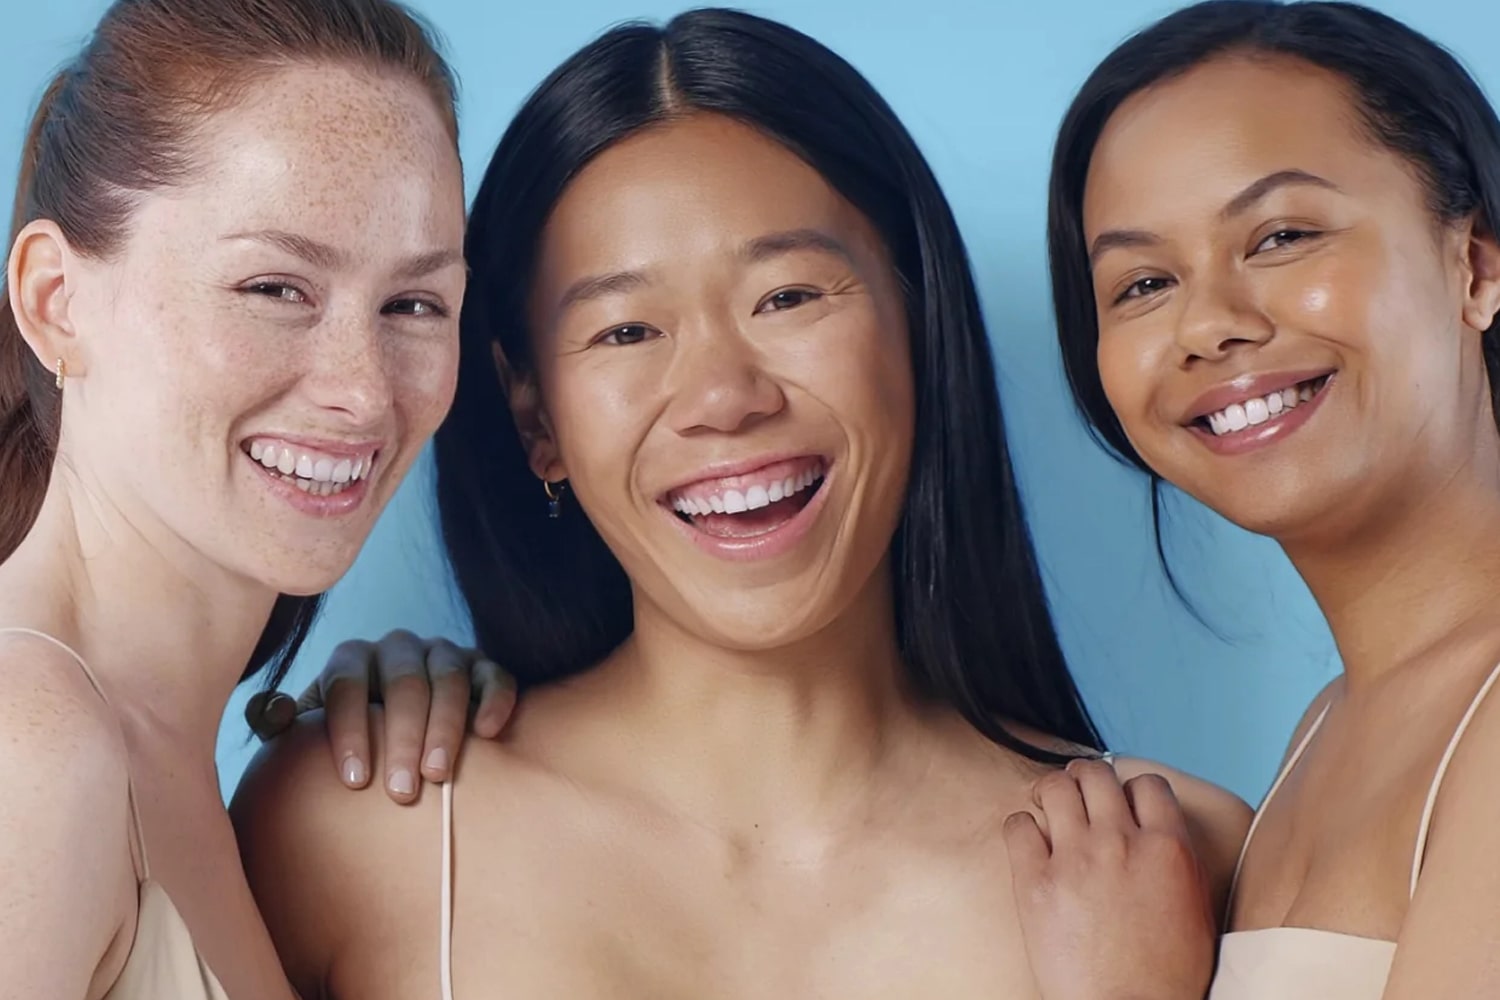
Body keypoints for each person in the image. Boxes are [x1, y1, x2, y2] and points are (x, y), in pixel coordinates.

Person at [231, 10, 1251, 999]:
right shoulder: (352, 830)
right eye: (627, 331)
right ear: (535, 416)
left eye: (788, 297)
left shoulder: (1178, 857)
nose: (724, 397)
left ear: (920, 329)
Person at [1008, 2, 1500, 998]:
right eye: (1142, 284)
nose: (1209, 325)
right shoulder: (1327, 731)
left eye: (1281, 236)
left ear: (1476, 266)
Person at [0, 0, 469, 995]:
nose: (364, 390)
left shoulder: (164, 761)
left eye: (413, 304)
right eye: (274, 288)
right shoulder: (29, 750)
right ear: (55, 300)